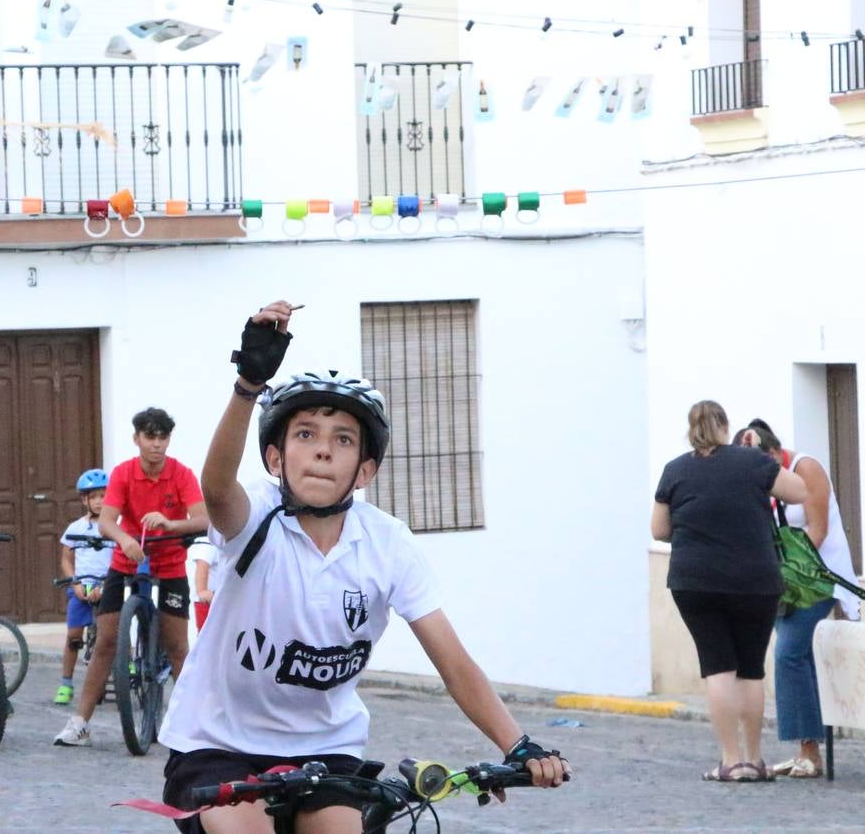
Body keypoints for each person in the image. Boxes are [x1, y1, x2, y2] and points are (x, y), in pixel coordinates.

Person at [157, 301, 569, 831]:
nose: (323, 451)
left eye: (343, 440)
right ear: (276, 458)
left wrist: (517, 745)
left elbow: (453, 662)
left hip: (325, 750)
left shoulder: (387, 544)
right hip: (218, 744)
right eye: (305, 434)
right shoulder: (254, 516)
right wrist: (247, 386)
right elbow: (215, 488)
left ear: (365, 469)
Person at [652, 401, 807, 782]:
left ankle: (730, 761)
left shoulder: (675, 469)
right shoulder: (751, 462)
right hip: (754, 579)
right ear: (725, 427)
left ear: (690, 429)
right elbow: (799, 492)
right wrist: (758, 459)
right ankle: (755, 760)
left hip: (695, 580)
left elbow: (659, 530)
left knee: (718, 666)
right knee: (751, 669)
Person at [53, 408, 209, 747]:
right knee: (107, 641)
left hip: (168, 562)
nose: (156, 444)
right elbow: (107, 519)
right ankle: (80, 722)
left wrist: (171, 525)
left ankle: (194, 728)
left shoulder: (181, 474)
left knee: (178, 646)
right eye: (149, 436)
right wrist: (124, 539)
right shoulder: (123, 473)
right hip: (126, 560)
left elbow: (201, 519)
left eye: (162, 437)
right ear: (136, 438)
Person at [736, 418, 863, 779]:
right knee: (797, 657)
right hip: (783, 580)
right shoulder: (762, 480)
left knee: (789, 653)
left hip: (818, 576)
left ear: (774, 453)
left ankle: (810, 749)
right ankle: (805, 750)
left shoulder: (805, 468)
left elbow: (818, 531)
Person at [55, 468, 113, 704]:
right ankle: (66, 683)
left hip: (108, 585)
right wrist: (75, 582)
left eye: (104, 495)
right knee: (74, 636)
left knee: (113, 631)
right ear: (84, 500)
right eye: (94, 497)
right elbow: (66, 559)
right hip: (81, 587)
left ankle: (125, 666)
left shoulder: (114, 525)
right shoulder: (76, 528)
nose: (100, 501)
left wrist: (109, 583)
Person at [188, 532, 219, 633]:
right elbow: (202, 565)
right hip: (207, 602)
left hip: (219, 599)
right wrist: (202, 591)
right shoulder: (208, 539)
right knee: (208, 636)